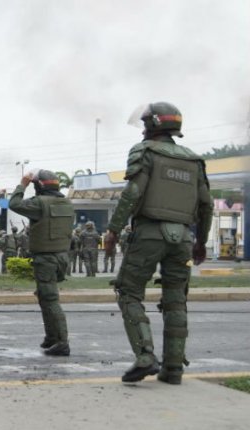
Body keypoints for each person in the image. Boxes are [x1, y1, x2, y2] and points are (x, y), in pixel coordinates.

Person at [106, 102, 213, 384]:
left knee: (129, 292)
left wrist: (113, 230)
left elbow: (133, 192)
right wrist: (200, 241)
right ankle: (174, 369)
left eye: (144, 124)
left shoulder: (145, 152)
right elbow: (206, 205)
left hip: (149, 233)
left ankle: (145, 356)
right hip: (183, 239)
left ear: (153, 125)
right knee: (176, 300)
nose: (142, 130)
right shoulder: (194, 160)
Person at [9, 169, 74, 356]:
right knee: (44, 297)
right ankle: (51, 337)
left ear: (38, 186)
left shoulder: (39, 204)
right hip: (61, 257)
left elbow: (14, 203)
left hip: (46, 258)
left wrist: (23, 184)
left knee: (50, 299)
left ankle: (62, 342)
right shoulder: (67, 203)